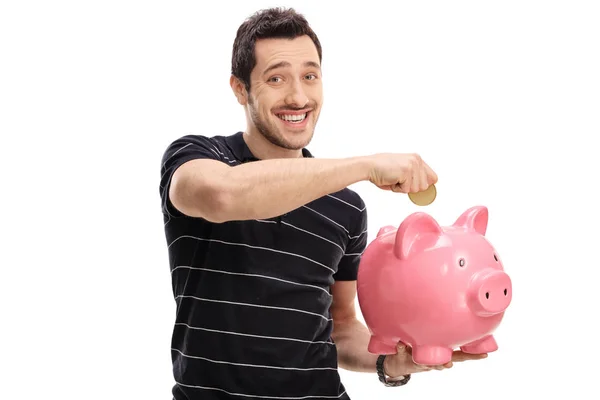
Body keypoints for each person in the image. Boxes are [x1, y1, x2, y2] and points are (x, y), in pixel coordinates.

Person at [159, 7, 487, 400]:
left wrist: (391, 363)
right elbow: (223, 196)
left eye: (310, 76)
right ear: (240, 89)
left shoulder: (345, 207)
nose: (298, 97)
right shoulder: (198, 157)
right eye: (276, 78)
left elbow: (341, 325)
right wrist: (365, 165)